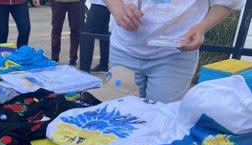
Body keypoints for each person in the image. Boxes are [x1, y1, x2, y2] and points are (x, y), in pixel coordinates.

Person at [103, 0, 244, 103]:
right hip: (124, 48)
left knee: (162, 122)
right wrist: (117, 8)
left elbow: (226, 2)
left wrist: (201, 27)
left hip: (175, 54)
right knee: (119, 115)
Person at [80, 0, 110, 72]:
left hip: (99, 4)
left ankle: (85, 67)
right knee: (103, 33)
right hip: (107, 5)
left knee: (88, 34)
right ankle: (103, 64)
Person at [51, 0, 80, 66]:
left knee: (75, 30)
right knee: (56, 30)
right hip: (58, 2)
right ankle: (54, 57)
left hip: (75, 2)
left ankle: (73, 58)